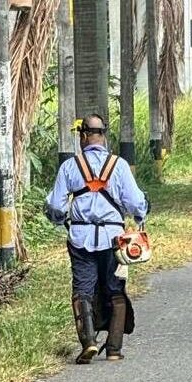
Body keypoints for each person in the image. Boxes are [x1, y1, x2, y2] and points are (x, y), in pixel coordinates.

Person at [45, 114, 149, 364]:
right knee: (115, 290)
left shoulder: (70, 166)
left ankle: (89, 341)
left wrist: (59, 220)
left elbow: (56, 206)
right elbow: (135, 202)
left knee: (82, 289)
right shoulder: (119, 165)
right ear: (103, 135)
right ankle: (113, 349)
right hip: (115, 240)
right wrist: (141, 213)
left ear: (83, 136)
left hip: (80, 237)